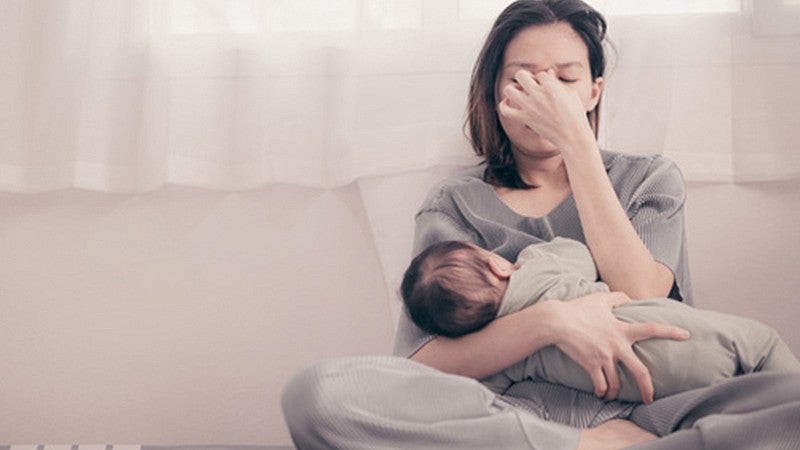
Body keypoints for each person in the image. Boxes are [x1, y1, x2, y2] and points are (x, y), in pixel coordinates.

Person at [282, 1, 800, 448]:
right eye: (524, 78)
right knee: (318, 395)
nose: (545, 95)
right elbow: (424, 365)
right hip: (512, 425)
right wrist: (551, 322)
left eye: (565, 80)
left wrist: (576, 142)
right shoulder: (456, 203)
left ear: (595, 92)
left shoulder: (648, 179)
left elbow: (642, 289)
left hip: (656, 412)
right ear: (496, 93)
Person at [401, 237, 800, 401]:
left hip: (664, 391)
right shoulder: (537, 266)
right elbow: (578, 252)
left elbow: (476, 386)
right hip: (685, 335)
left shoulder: (505, 359)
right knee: (763, 345)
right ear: (497, 264)